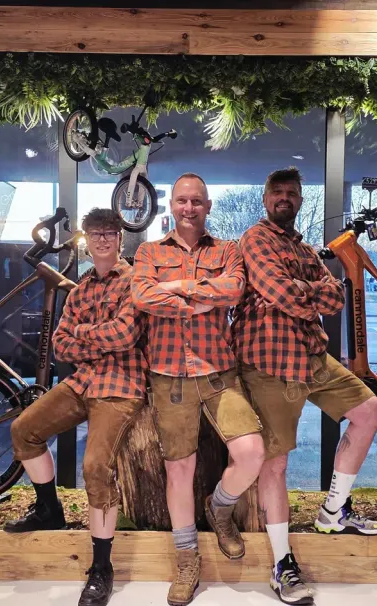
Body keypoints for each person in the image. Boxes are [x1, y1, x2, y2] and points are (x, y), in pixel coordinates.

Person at [233, 167, 377, 605]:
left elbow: (337, 296)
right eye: (277, 192)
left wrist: (304, 289)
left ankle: (334, 509)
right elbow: (278, 291)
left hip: (313, 357)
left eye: (292, 193)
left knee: (370, 411)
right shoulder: (254, 239)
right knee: (275, 464)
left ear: (301, 200)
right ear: (266, 198)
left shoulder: (301, 246)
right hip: (268, 363)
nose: (285, 198)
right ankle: (282, 563)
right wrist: (308, 289)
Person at [131, 173, 266, 606]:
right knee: (179, 469)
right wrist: (198, 300)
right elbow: (142, 296)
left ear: (208, 206)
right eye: (182, 201)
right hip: (168, 374)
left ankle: (221, 504)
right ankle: (187, 557)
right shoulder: (149, 251)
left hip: (218, 372)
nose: (189, 208)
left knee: (251, 453)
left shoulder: (227, 250)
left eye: (197, 201)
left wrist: (177, 286)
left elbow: (234, 289)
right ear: (172, 205)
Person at [5, 208, 146, 606]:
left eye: (109, 233)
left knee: (95, 466)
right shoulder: (82, 287)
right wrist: (93, 337)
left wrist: (85, 336)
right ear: (86, 240)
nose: (102, 240)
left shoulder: (135, 280)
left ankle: (102, 567)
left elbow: (125, 334)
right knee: (23, 430)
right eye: (95, 233)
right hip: (83, 381)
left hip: (121, 384)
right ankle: (49, 509)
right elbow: (61, 344)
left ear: (120, 239)